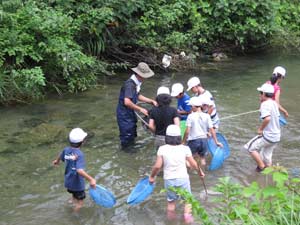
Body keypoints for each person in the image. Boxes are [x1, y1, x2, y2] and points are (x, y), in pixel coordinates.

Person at [149, 124, 205, 224]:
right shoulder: (185, 148)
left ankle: (171, 221)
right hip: (183, 178)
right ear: (179, 137)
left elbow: (157, 166)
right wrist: (200, 172)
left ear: (167, 137)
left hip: (169, 180)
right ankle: (187, 219)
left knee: (171, 203)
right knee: (188, 201)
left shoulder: (162, 149)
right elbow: (193, 164)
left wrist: (152, 177)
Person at [52, 128, 96, 212]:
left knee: (73, 195)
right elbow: (79, 170)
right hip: (77, 184)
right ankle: (74, 214)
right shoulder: (80, 154)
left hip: (68, 181)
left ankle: (71, 201)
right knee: (80, 203)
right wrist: (91, 179)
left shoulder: (66, 149)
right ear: (83, 141)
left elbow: (61, 155)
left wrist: (57, 161)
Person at [116, 62, 157, 149]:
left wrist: (151, 101)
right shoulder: (130, 85)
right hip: (124, 114)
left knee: (132, 132)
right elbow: (127, 102)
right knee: (127, 136)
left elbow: (137, 95)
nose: (145, 78)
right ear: (139, 74)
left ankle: (131, 148)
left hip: (130, 113)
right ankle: (127, 153)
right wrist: (140, 109)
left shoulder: (136, 83)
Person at [244, 83, 281, 172]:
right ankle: (269, 171)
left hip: (268, 136)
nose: (259, 95)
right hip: (276, 136)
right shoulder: (274, 103)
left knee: (250, 148)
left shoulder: (265, 104)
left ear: (264, 94)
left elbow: (267, 118)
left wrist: (261, 129)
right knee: (266, 155)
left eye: (260, 93)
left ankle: (261, 167)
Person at [182, 96, 223, 167]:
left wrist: (183, 142)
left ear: (194, 106)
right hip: (204, 141)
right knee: (202, 158)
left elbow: (187, 131)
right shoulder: (207, 116)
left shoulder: (190, 116)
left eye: (191, 106)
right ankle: (203, 172)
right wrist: (216, 142)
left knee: (188, 158)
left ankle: (191, 173)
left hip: (193, 141)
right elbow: (212, 130)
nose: (190, 108)